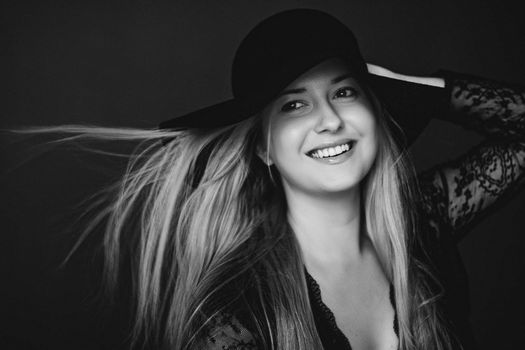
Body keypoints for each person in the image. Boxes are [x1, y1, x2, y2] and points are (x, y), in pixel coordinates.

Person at [22, 8, 524, 350]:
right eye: (295, 104)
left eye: (346, 92)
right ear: (263, 146)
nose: (329, 119)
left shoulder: (423, 223)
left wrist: (416, 86)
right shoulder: (236, 314)